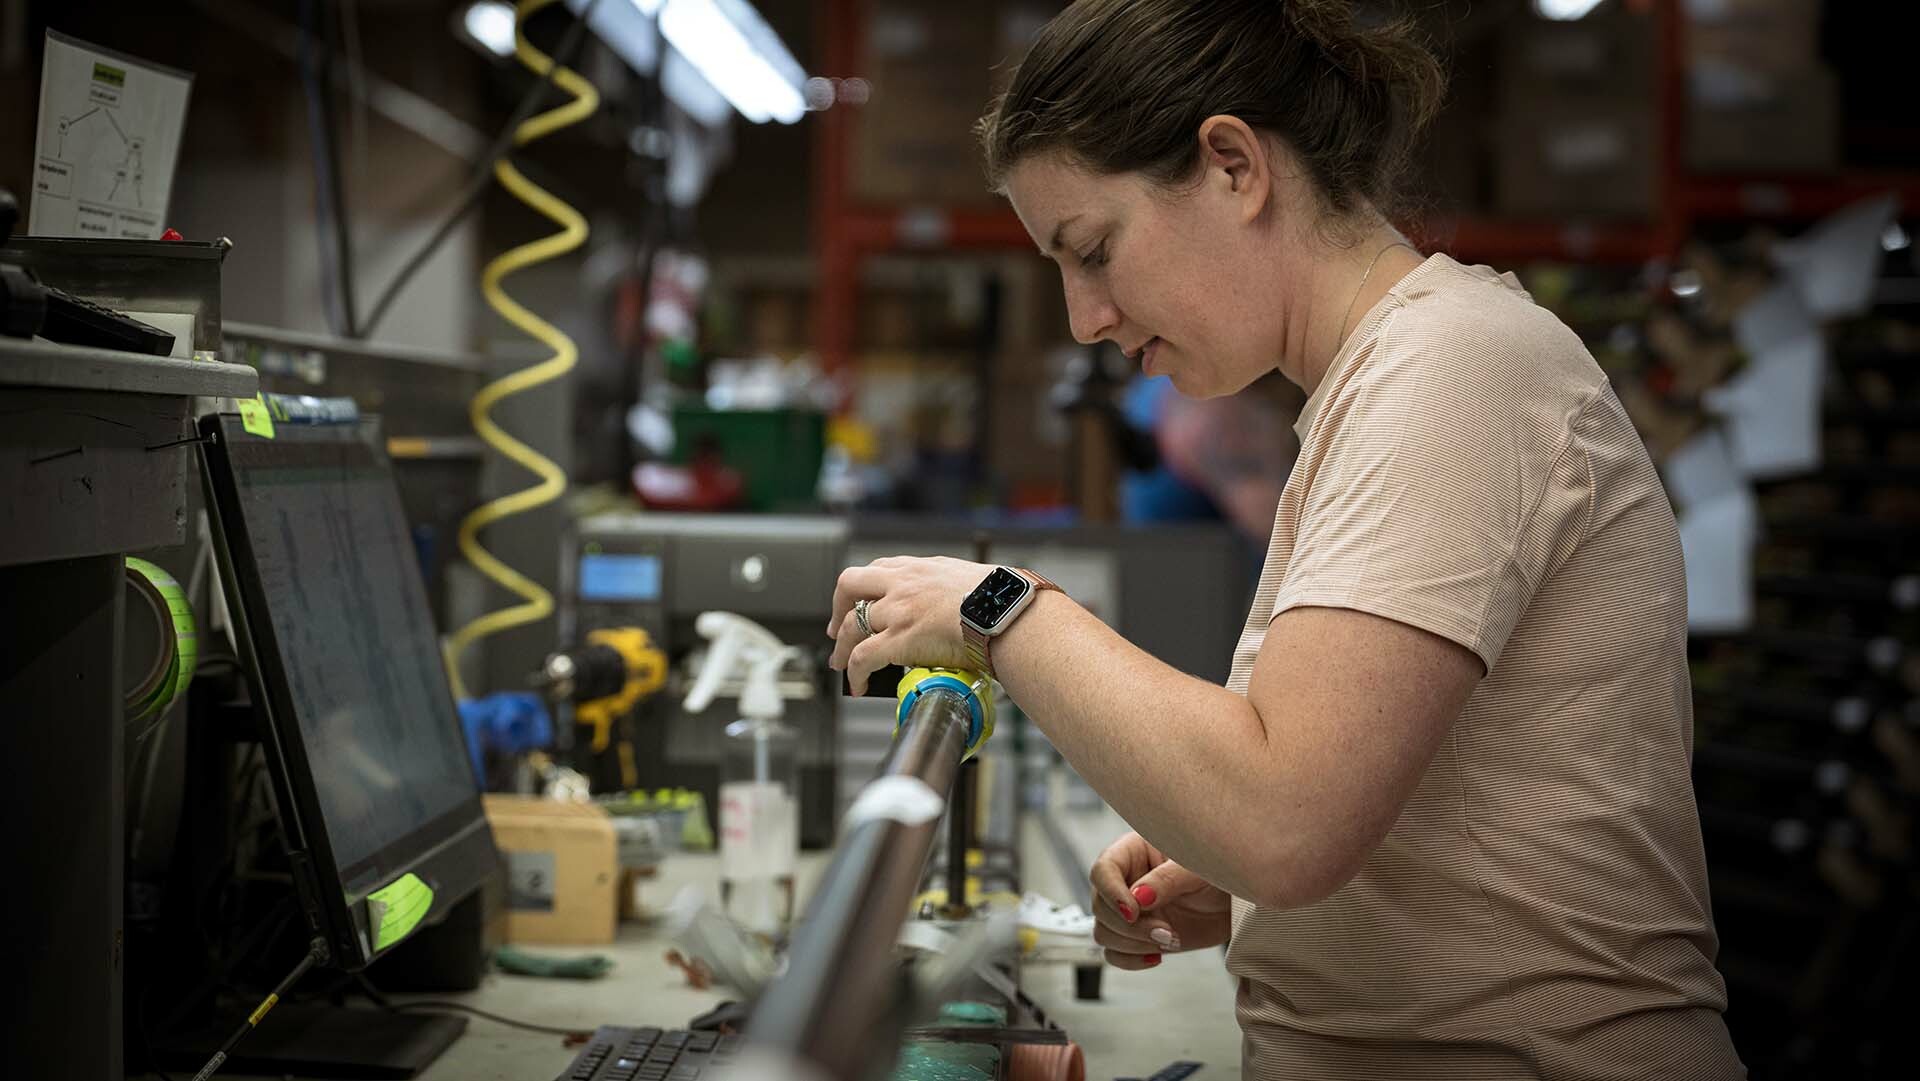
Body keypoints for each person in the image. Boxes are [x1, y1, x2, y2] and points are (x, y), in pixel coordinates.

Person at [826, 1, 1745, 1077]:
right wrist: (1248, 888)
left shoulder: (1452, 372)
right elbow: (1392, 807)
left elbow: (1285, 821)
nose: (1085, 318)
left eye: (1096, 251)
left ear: (1233, 167)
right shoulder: (1383, 385)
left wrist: (1001, 610)